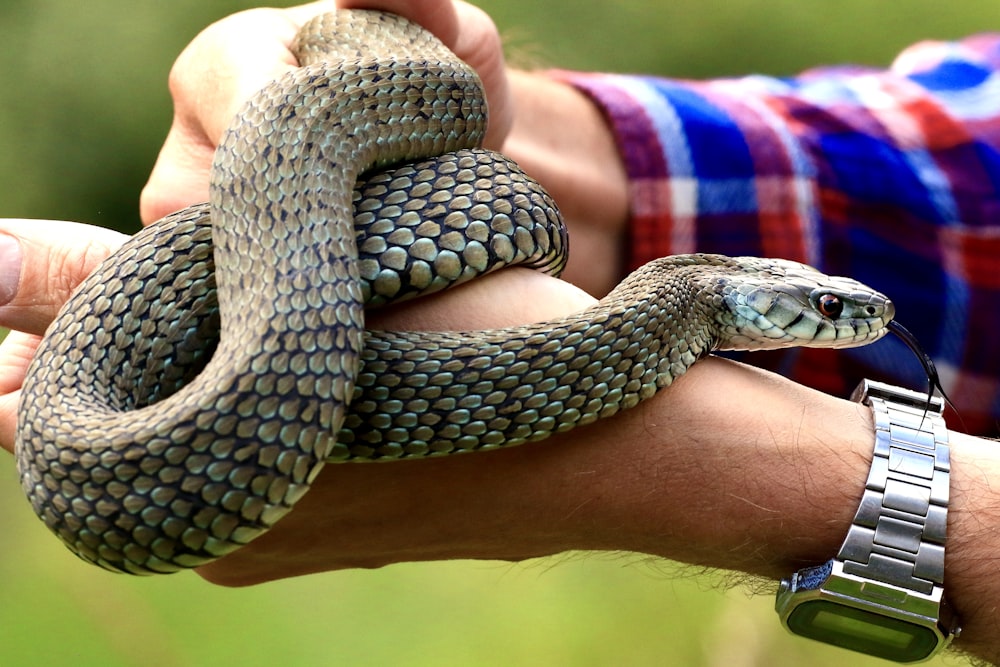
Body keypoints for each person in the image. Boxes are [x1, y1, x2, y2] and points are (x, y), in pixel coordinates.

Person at [0, 0, 998, 662]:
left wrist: (744, 478)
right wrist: (496, 129)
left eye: (834, 312)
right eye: (827, 309)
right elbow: (943, 175)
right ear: (750, 296)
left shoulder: (666, 310)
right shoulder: (680, 297)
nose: (851, 321)